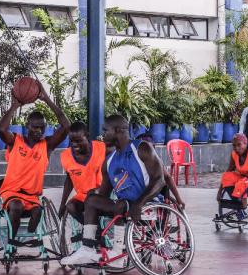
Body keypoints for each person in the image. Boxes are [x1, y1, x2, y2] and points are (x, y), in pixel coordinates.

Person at [60, 114, 166, 266]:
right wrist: (91, 198)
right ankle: (87, 248)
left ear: (117, 131)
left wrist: (139, 203)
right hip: (124, 207)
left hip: (148, 205)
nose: (102, 134)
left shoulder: (141, 148)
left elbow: (160, 180)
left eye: (105, 130)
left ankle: (118, 252)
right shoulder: (109, 161)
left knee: (122, 203)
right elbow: (104, 193)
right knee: (92, 200)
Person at [0, 83, 69, 247]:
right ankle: (12, 242)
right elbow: (1, 129)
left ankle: (29, 237)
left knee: (38, 212)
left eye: (42, 127)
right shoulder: (16, 141)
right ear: (27, 126)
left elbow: (66, 126)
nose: (39, 131)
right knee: (16, 206)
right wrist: (15, 105)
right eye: (35, 127)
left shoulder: (47, 145)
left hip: (32, 196)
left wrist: (47, 99)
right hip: (12, 192)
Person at [59, 121, 107, 224]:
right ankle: (90, 228)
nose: (74, 145)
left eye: (78, 141)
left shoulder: (102, 148)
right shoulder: (66, 156)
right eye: (72, 141)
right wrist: (62, 204)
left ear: (87, 136)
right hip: (83, 196)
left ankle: (93, 230)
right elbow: (69, 180)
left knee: (92, 197)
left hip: (102, 193)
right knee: (71, 206)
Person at [136, 132, 185, 210]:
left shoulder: (156, 162)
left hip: (151, 194)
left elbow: (168, 178)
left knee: (163, 186)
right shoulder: (133, 161)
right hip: (139, 193)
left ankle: (161, 219)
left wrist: (179, 199)